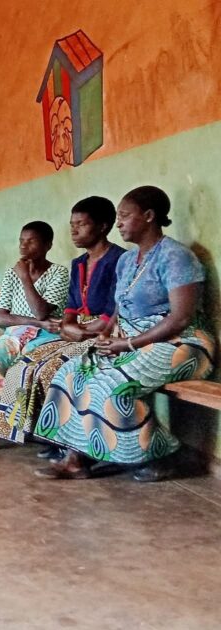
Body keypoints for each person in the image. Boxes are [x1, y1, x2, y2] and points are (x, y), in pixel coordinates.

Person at [34, 186, 215, 481]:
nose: (118, 223)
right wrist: (107, 333)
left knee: (110, 385)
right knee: (70, 373)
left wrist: (129, 343)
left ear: (149, 216)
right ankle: (77, 458)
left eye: (124, 216)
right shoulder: (127, 260)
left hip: (181, 343)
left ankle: (167, 455)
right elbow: (120, 306)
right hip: (131, 339)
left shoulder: (176, 257)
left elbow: (180, 318)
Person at [0, 197, 126, 447]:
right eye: (72, 225)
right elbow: (71, 307)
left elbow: (113, 312)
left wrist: (81, 330)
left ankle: (65, 442)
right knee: (22, 367)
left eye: (82, 224)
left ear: (103, 226)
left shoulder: (120, 260)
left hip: (106, 333)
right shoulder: (79, 263)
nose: (74, 231)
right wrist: (68, 326)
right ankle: (18, 431)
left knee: (53, 370)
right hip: (76, 331)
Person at [0, 222, 70, 446]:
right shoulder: (12, 274)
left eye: (31, 241)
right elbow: (0, 316)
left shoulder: (58, 273)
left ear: (48, 245)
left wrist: (25, 278)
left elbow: (41, 311)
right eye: (21, 241)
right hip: (17, 332)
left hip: (47, 336)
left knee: (20, 370)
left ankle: (6, 426)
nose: (23, 246)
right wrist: (34, 321)